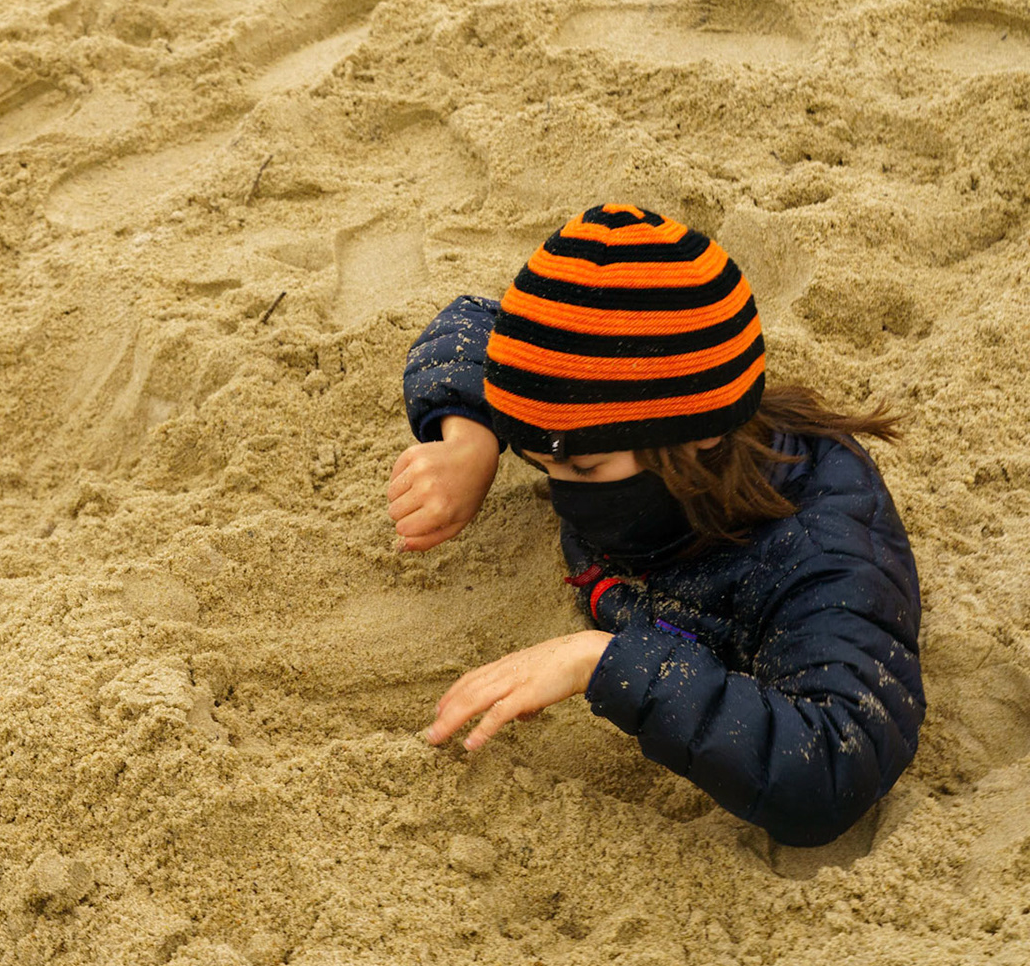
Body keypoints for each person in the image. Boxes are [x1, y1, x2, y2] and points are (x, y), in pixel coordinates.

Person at [388, 204, 922, 847]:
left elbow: (835, 769)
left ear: (697, 438)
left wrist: (605, 658)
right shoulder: (590, 415)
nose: (562, 489)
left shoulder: (821, 548)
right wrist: (468, 437)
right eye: (539, 462)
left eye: (584, 467)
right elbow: (472, 323)